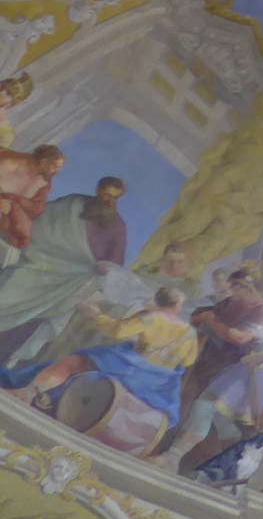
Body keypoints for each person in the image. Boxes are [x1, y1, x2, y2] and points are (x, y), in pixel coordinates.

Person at [2, 286, 198, 438]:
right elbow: (188, 360)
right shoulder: (189, 332)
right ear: (177, 306)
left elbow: (118, 331)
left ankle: (28, 393)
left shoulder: (151, 318)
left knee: (73, 361)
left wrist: (96, 314)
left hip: (131, 368)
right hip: (159, 380)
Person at [155, 264, 263, 473]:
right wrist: (203, 318)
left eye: (235, 286)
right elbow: (199, 317)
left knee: (205, 406)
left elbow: (239, 337)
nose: (231, 290)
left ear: (248, 288)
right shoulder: (232, 304)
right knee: (218, 416)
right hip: (237, 363)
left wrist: (211, 321)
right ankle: (229, 462)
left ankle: (172, 457)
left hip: (256, 366)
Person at [0, 174, 127, 363]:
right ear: (98, 190)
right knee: (7, 296)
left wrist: (104, 273)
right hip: (37, 265)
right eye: (107, 194)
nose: (109, 200)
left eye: (115, 197)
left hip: (69, 285)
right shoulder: (72, 204)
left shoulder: (118, 227)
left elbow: (115, 266)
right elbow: (41, 222)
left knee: (32, 323)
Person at [0, 143, 62, 255]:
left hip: (8, 216)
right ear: (44, 162)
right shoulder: (13, 162)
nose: (57, 172)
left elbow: (36, 209)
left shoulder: (43, 182)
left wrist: (16, 199)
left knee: (24, 234)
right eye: (54, 166)